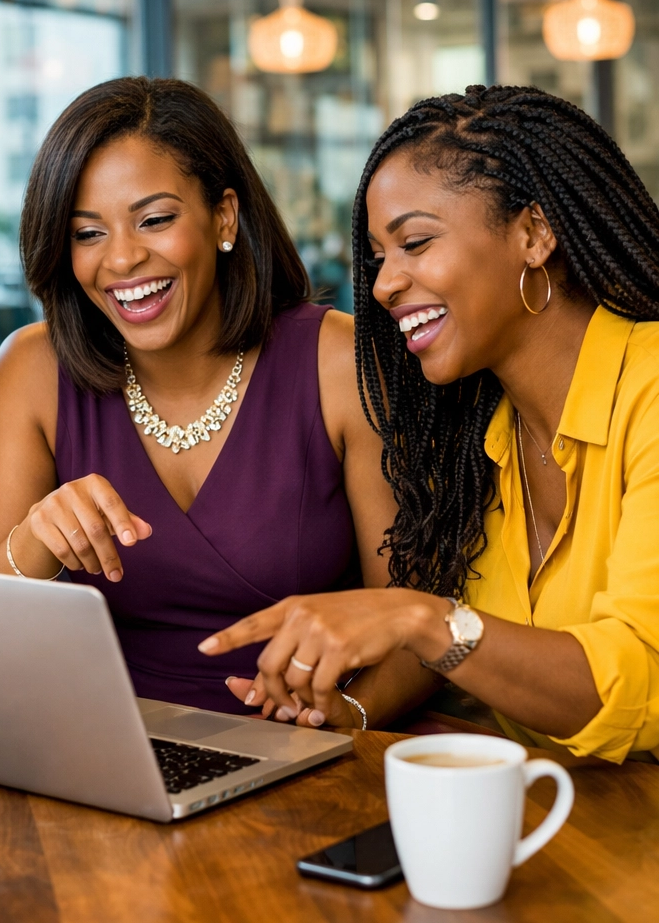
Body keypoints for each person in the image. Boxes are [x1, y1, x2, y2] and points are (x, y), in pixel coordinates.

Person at [201, 84, 659, 763]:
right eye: (380, 257)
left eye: (415, 242)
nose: (383, 284)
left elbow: (642, 682)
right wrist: (344, 711)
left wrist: (417, 616)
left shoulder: (649, 389)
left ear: (534, 234)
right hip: (553, 818)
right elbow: (473, 663)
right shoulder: (476, 430)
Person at [0, 77, 399, 719]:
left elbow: (416, 621)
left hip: (311, 755)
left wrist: (347, 719)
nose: (123, 259)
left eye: (155, 220)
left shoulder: (338, 361)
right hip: (96, 751)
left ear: (223, 216)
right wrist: (31, 543)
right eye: (87, 233)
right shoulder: (32, 368)